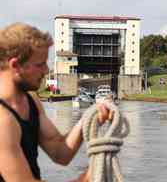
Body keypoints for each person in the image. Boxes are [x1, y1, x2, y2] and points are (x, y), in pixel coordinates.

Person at [0, 23, 113, 182]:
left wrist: (87, 119)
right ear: (15, 65)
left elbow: (60, 152)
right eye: (40, 64)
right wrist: (87, 178)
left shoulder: (31, 100)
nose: (46, 71)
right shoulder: (2, 120)